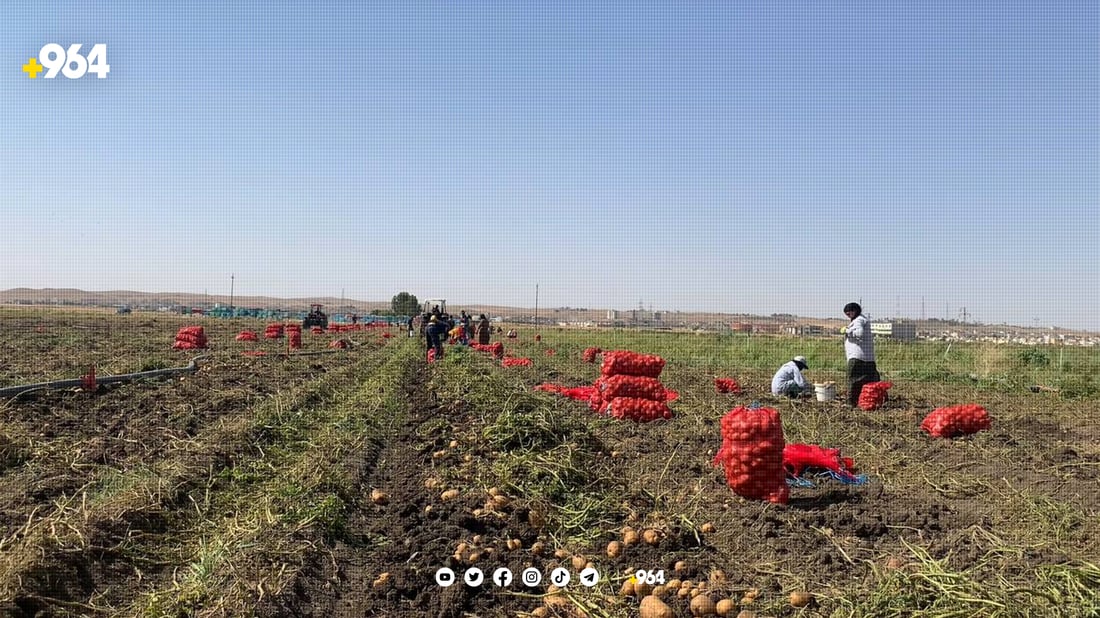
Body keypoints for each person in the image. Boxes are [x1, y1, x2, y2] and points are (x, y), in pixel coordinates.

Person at [842, 302, 881, 407]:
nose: (848, 315)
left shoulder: (858, 320)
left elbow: (859, 333)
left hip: (857, 357)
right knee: (869, 380)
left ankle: (851, 402)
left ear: (855, 311)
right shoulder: (862, 320)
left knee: (852, 380)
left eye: (849, 312)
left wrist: (847, 331)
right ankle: (870, 401)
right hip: (868, 358)